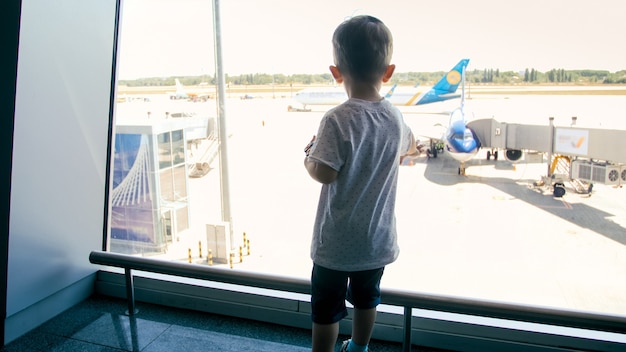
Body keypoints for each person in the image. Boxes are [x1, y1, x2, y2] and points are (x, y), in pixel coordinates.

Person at [303, 15, 419, 352]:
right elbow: (408, 147)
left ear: (336, 72)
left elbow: (324, 172)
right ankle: (358, 346)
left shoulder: (337, 119)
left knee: (326, 310)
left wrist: (309, 154)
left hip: (336, 244)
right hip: (376, 240)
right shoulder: (396, 118)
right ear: (389, 72)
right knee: (367, 300)